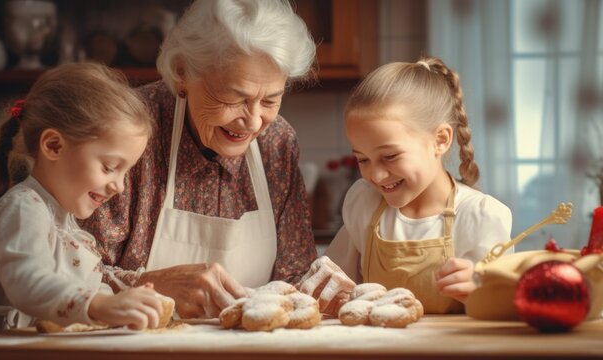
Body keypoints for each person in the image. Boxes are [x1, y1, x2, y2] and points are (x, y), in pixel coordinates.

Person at [80, 0, 318, 319]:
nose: (252, 121)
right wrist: (149, 284)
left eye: (270, 100)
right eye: (234, 98)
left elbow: (294, 276)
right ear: (182, 73)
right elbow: (69, 275)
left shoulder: (277, 142)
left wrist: (321, 286)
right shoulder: (129, 132)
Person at [0, 62, 164, 332]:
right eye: (109, 167)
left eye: (125, 173)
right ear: (53, 146)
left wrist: (122, 300)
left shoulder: (63, 221)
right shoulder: (22, 208)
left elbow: (77, 284)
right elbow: (28, 281)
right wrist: (98, 305)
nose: (120, 187)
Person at [298, 56, 513, 315]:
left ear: (440, 140)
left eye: (390, 156)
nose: (375, 175)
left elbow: (507, 308)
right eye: (363, 159)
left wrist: (480, 291)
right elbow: (332, 282)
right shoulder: (364, 203)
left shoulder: (479, 216)